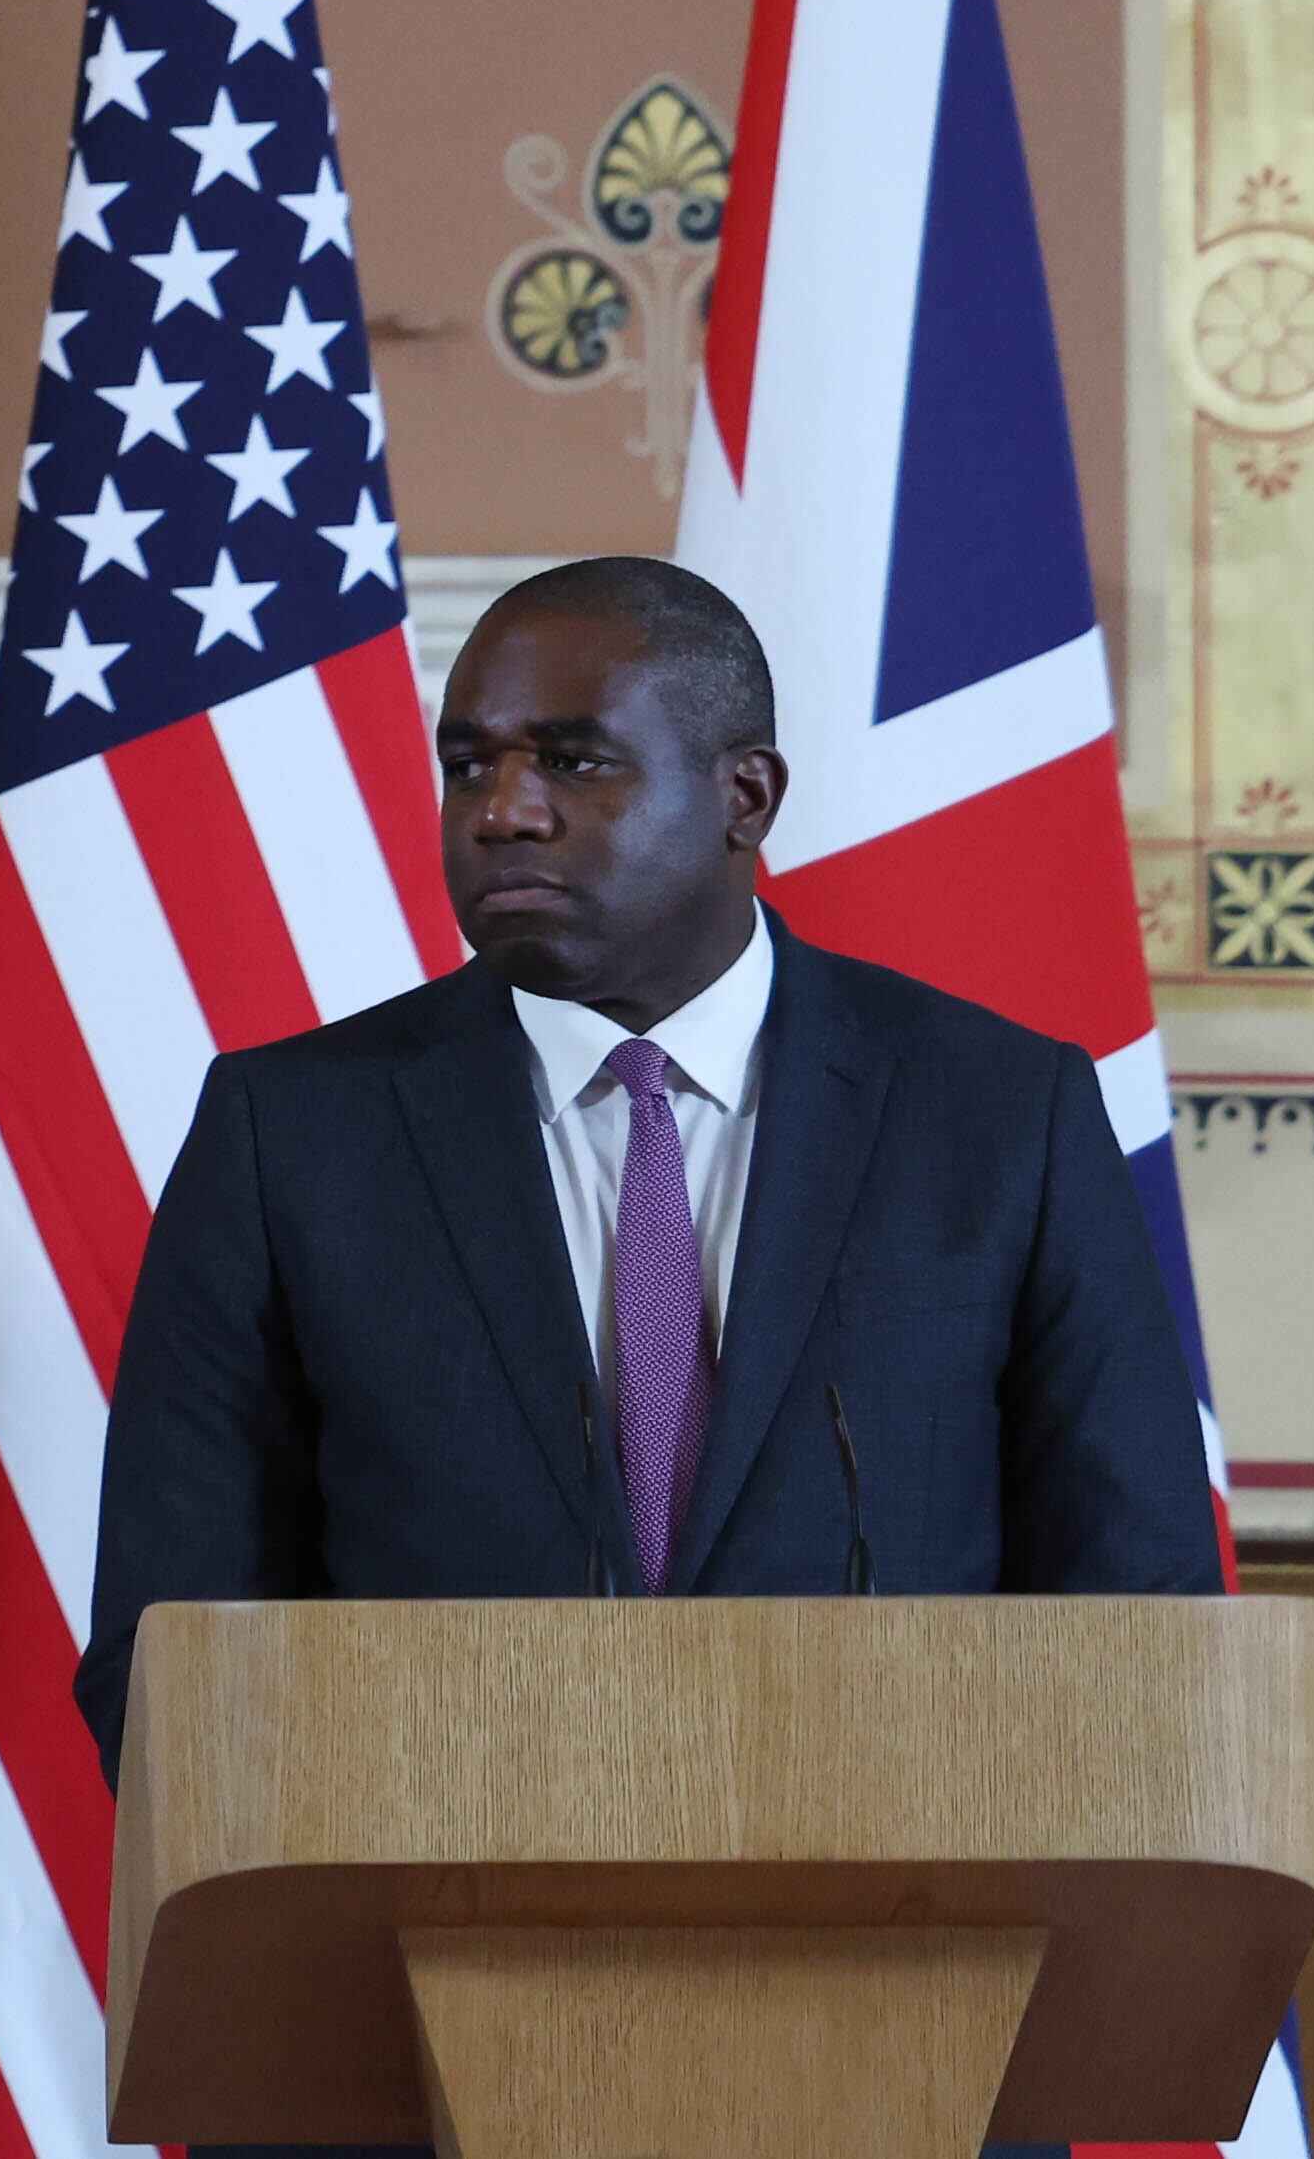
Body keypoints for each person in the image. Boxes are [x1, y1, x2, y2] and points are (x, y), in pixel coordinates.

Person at [81, 552, 1221, 1734]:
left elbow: (1142, 1605)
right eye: (467, 764)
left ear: (745, 797)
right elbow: (171, 1645)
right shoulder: (290, 1132)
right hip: (437, 1893)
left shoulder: (995, 1112)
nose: (501, 810)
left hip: (895, 1895)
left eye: (572, 761)